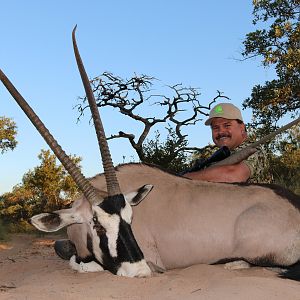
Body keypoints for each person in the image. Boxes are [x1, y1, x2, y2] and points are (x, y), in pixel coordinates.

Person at [184, 103, 272, 183]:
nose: (221, 132)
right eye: (215, 128)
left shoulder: (253, 149)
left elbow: (232, 176)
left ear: (242, 127)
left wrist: (184, 178)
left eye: (227, 125)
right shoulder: (218, 157)